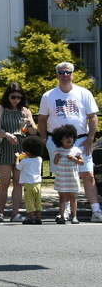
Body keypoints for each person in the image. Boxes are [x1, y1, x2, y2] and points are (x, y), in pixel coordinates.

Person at [38, 61, 100, 221]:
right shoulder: (48, 96)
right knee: (62, 176)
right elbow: (42, 119)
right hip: (57, 142)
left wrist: (90, 138)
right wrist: (44, 139)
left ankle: (96, 210)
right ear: (57, 75)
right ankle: (64, 211)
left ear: (72, 74)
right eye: (61, 72)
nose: (65, 75)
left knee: (88, 174)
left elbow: (93, 117)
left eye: (68, 72)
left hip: (81, 141)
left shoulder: (84, 93)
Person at [0, 83, 37, 223]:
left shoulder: (25, 111)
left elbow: (33, 132)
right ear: (7, 96)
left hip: (21, 150)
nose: (16, 100)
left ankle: (15, 214)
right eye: (13, 97)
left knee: (18, 183)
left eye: (19, 97)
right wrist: (6, 135)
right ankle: (0, 212)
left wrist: (29, 123)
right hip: (4, 148)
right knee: (4, 181)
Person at [52, 124, 84, 224]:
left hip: (72, 178)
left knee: (73, 198)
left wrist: (74, 159)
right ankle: (62, 216)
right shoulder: (58, 150)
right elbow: (55, 162)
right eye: (66, 137)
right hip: (62, 178)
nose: (69, 139)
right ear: (60, 139)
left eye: (71, 137)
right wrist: (57, 157)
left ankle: (74, 217)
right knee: (62, 198)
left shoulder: (76, 150)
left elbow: (82, 162)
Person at [16, 136, 45, 224]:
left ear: (27, 152)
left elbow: (18, 167)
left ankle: (31, 218)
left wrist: (18, 158)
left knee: (29, 201)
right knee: (37, 201)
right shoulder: (39, 159)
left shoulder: (24, 161)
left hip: (28, 184)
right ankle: (38, 218)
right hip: (38, 184)